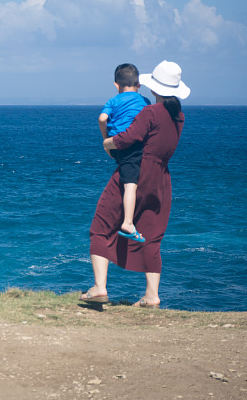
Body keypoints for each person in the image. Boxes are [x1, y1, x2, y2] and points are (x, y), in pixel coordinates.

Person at [80, 60, 190, 308]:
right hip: (161, 179)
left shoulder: (150, 112)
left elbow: (129, 138)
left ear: (154, 89)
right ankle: (152, 295)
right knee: (151, 235)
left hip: (136, 173)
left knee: (101, 224)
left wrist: (106, 143)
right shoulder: (179, 116)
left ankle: (99, 287)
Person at [99, 64, 150, 243]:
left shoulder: (112, 101)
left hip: (116, 146)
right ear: (139, 85)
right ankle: (128, 222)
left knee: (125, 176)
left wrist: (106, 140)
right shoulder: (144, 101)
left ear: (116, 85)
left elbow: (102, 118)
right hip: (133, 147)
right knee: (131, 185)